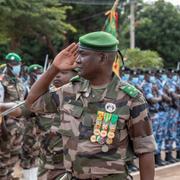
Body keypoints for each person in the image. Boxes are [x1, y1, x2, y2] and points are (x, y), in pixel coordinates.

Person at [26, 31, 156, 180]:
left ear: (102, 57)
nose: (77, 60)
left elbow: (145, 150)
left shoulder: (130, 98)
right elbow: (33, 103)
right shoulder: (70, 91)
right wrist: (54, 68)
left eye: (82, 54)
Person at [0, 52, 26, 179]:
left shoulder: (20, 81)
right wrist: (3, 128)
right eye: (14, 65)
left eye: (18, 64)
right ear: (8, 65)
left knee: (14, 156)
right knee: (3, 158)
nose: (17, 67)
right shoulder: (1, 82)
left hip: (19, 126)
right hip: (6, 127)